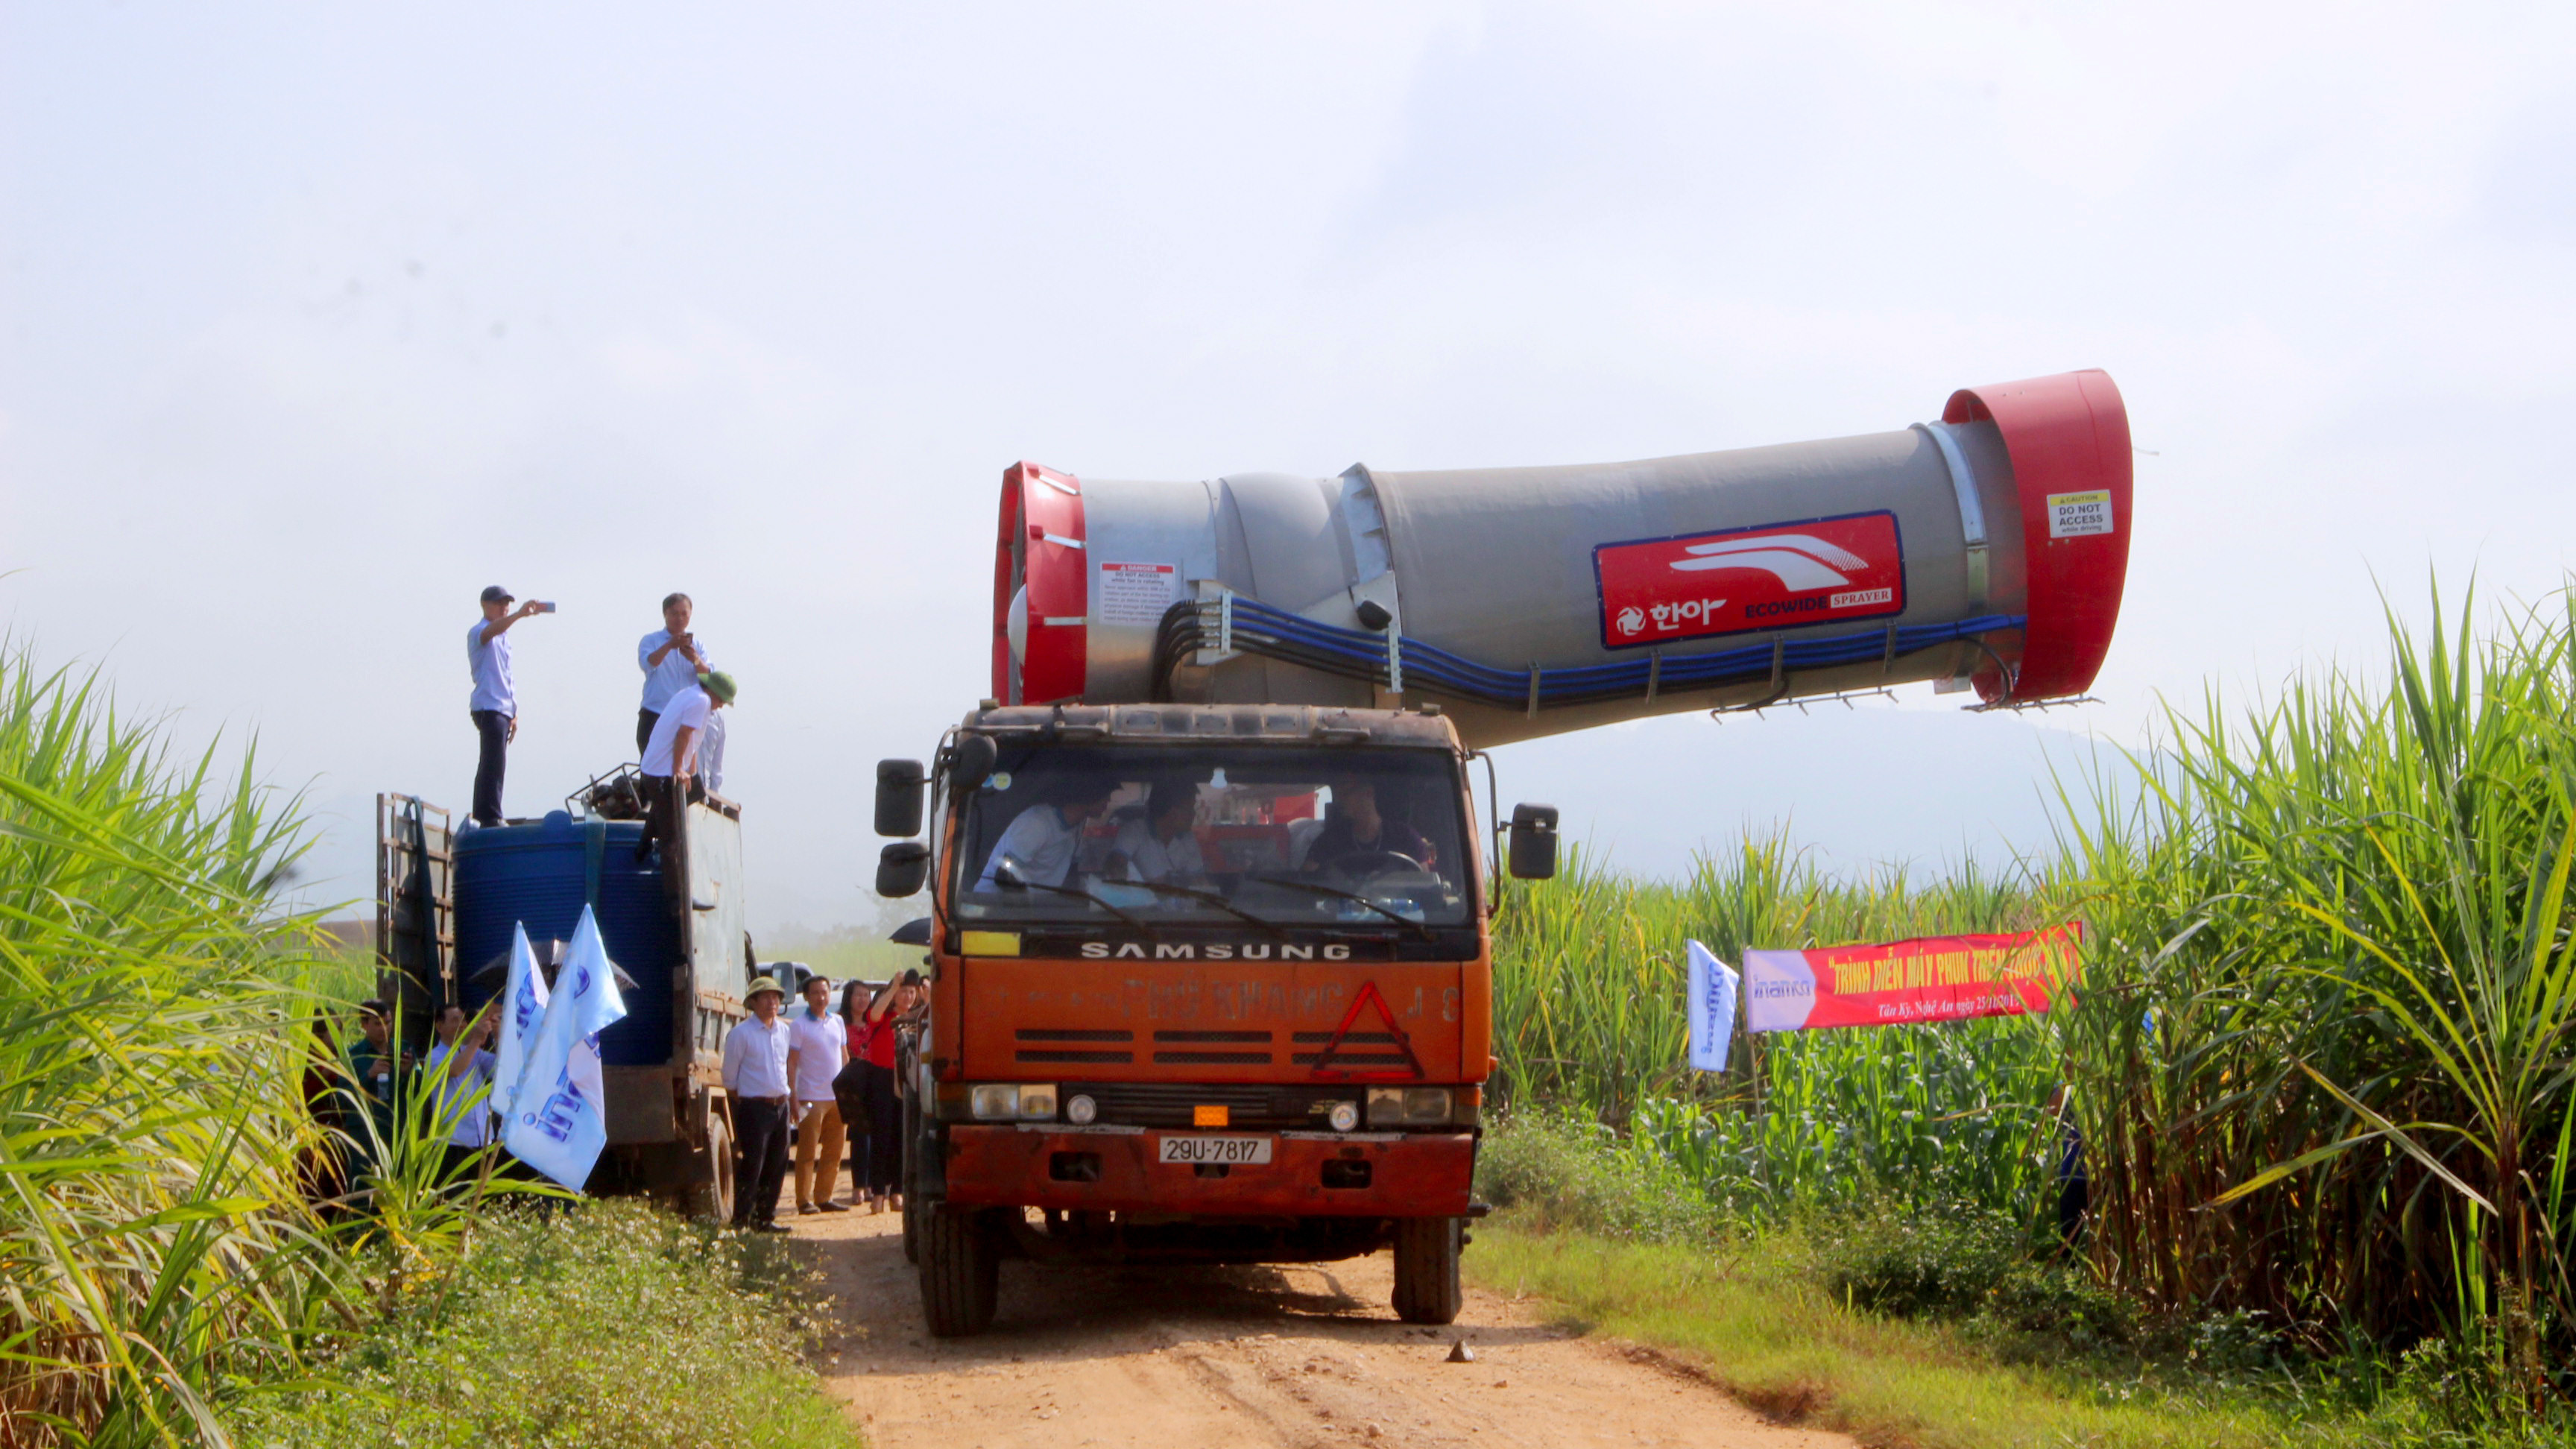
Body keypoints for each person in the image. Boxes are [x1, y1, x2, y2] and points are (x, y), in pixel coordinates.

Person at [637, 670, 738, 865]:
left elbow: (692, 742)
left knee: (667, 805)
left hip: (653, 770)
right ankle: (675, 893)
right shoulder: (702, 701)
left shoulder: (688, 694)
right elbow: (683, 735)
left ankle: (642, 850)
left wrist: (691, 774)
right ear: (713, 693)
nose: (721, 706)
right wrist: (677, 770)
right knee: (673, 838)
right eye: (722, 700)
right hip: (662, 773)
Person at [467, 584, 548, 827]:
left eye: (507, 604)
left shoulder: (504, 639)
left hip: (502, 707)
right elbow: (489, 632)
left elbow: (506, 676)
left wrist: (514, 712)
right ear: (485, 605)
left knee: (496, 762)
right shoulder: (479, 631)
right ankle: (488, 815)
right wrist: (520, 615)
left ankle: (489, 812)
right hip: (488, 705)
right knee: (492, 762)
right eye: (499, 603)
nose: (504, 607)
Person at [720, 976, 794, 1233]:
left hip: (781, 1107)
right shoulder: (741, 1034)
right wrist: (749, 1102)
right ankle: (742, 1219)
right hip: (754, 1108)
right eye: (765, 997)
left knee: (778, 1163)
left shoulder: (784, 1031)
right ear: (753, 1002)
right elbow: (729, 1078)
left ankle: (765, 1218)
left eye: (776, 997)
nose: (772, 1002)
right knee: (753, 1164)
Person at [850, 971, 921, 1213]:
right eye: (904, 991)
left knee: (903, 1136)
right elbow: (874, 1014)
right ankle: (878, 1191)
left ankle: (897, 1191)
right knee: (881, 1136)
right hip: (882, 1079)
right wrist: (893, 986)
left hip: (908, 1080)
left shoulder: (917, 1018)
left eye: (912, 991)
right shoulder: (886, 1016)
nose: (908, 996)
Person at [975, 778, 1115, 890]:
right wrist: (1031, 909)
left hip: (1040, 914)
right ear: (1090, 794)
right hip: (995, 912)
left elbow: (1071, 874)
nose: (1109, 800)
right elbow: (1005, 877)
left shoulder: (1077, 826)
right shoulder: (1036, 823)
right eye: (1106, 794)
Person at [786, 975, 848, 1214]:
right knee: (807, 1152)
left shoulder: (838, 1022)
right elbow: (792, 1063)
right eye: (815, 993)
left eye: (824, 992)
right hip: (810, 1097)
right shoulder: (799, 1025)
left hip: (836, 1099)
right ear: (806, 997)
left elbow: (844, 1057)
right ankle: (804, 1201)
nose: (821, 998)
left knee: (834, 1151)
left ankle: (825, 1197)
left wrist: (846, 1091)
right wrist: (793, 1095)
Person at [426, 1002, 498, 1184]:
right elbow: (455, 1070)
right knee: (452, 1196)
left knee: (477, 1197)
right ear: (439, 1026)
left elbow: (501, 1069)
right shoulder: (433, 1057)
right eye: (455, 1020)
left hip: (481, 1138)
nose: (462, 1025)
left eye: (463, 1020)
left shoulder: (475, 1053)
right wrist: (475, 1040)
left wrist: (497, 1032)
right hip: (452, 1141)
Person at [1302, 780, 1436, 876]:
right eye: (1338, 796)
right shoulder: (1330, 840)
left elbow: (1425, 884)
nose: (1340, 801)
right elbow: (1307, 880)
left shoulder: (1405, 837)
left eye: (1345, 794)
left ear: (1369, 793)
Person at [635, 593, 712, 757]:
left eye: (684, 614)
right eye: (674, 613)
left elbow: (709, 677)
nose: (680, 618)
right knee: (652, 769)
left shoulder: (698, 646)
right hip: (656, 713)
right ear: (665, 614)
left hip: (686, 717)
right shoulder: (651, 640)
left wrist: (695, 660)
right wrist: (669, 645)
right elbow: (648, 663)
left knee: (684, 771)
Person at [1110, 780, 1204, 883]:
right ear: (1172, 811)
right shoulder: (1135, 831)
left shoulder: (1188, 838)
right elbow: (1115, 867)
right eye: (1189, 809)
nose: (1193, 814)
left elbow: (1198, 880)